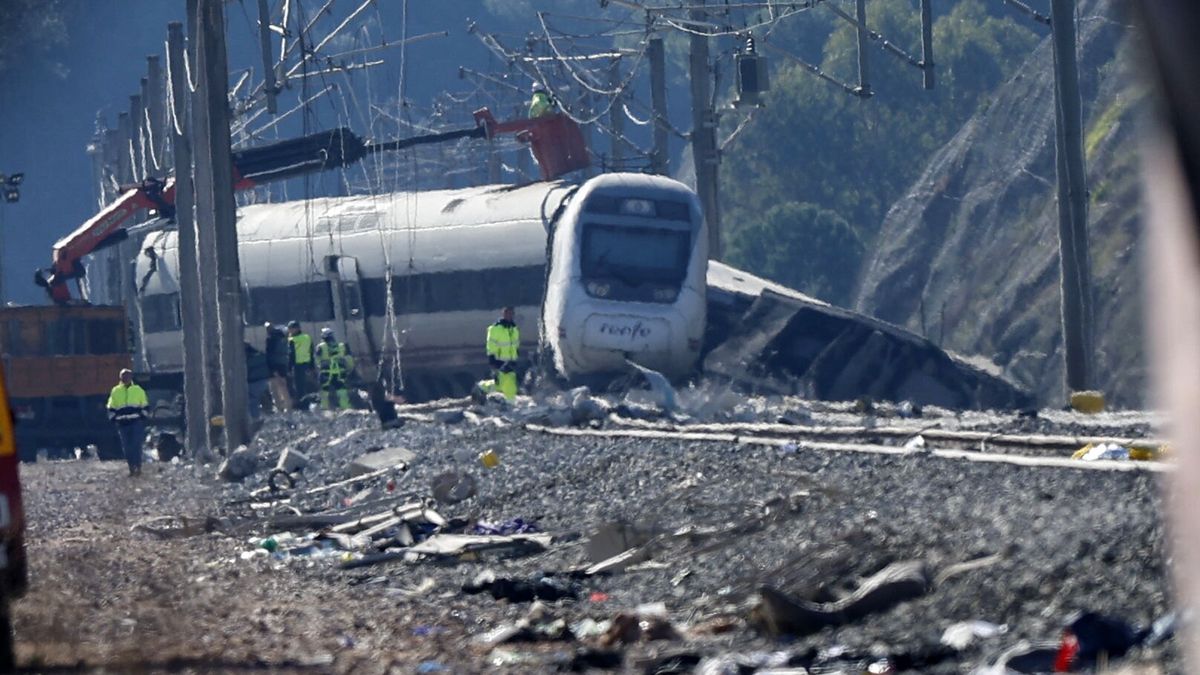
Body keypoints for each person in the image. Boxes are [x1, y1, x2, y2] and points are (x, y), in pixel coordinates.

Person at [106, 368, 149, 476]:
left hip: (135, 423)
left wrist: (142, 417)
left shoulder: (138, 390)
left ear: (131, 377)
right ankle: (131, 467)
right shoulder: (115, 391)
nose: (125, 378)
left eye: (127, 376)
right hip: (122, 424)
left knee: (136, 446)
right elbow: (111, 407)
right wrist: (113, 418)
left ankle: (138, 467)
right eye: (123, 376)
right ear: (120, 378)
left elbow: (145, 406)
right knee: (127, 448)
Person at [485, 306, 520, 401]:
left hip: (510, 360)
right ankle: (510, 402)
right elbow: (491, 344)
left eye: (511, 314)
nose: (510, 315)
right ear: (503, 314)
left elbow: (515, 344)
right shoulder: (495, 328)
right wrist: (491, 358)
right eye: (507, 313)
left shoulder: (514, 328)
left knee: (505, 383)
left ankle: (484, 388)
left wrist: (516, 356)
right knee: (505, 384)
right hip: (499, 360)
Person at [315, 327, 355, 410]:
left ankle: (324, 408)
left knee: (324, 391)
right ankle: (346, 407)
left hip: (326, 372)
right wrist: (349, 369)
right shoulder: (342, 346)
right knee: (341, 390)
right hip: (340, 373)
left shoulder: (320, 347)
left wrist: (319, 367)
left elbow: (317, 359)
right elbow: (349, 359)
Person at [264, 323, 292, 412]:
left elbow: (270, 354)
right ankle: (288, 406)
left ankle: (279, 407)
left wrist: (271, 367)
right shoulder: (283, 338)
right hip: (283, 364)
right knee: (283, 386)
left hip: (274, 365)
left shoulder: (271, 339)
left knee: (274, 388)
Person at [288, 320, 314, 410]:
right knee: (304, 385)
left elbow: (291, 355)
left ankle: (302, 405)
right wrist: (312, 366)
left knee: (299, 387)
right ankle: (305, 403)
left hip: (297, 365)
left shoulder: (292, 340)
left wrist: (289, 368)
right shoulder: (307, 337)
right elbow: (311, 351)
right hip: (306, 364)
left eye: (291, 329)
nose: (290, 331)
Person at [244, 342, 271, 419]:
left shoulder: (247, 358)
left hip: (253, 382)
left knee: (253, 400)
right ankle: (268, 411)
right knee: (259, 398)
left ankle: (255, 418)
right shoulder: (260, 354)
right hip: (264, 380)